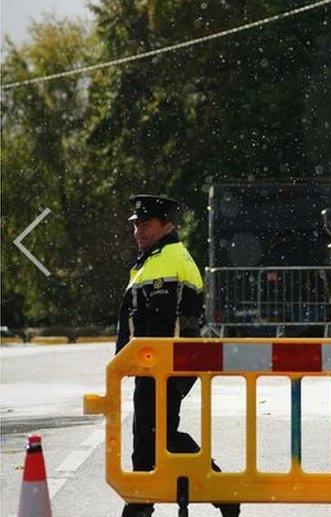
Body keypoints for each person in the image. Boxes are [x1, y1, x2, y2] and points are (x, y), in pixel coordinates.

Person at [116, 194, 240, 517]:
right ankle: (218, 493)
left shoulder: (168, 260)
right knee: (159, 436)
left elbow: (162, 325)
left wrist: (143, 362)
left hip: (163, 365)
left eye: (146, 225)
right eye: (136, 226)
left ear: (167, 225)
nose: (138, 232)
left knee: (152, 435)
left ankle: (140, 504)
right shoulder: (154, 258)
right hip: (158, 365)